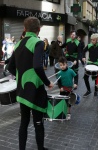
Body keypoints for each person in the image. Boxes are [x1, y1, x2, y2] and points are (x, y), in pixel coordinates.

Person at [8, 16, 54, 150]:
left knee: (24, 122)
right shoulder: (37, 43)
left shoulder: (18, 44)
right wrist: (47, 82)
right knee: (38, 122)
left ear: (24, 29)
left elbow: (10, 67)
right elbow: (38, 66)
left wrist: (20, 75)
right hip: (35, 90)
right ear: (38, 29)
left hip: (22, 90)